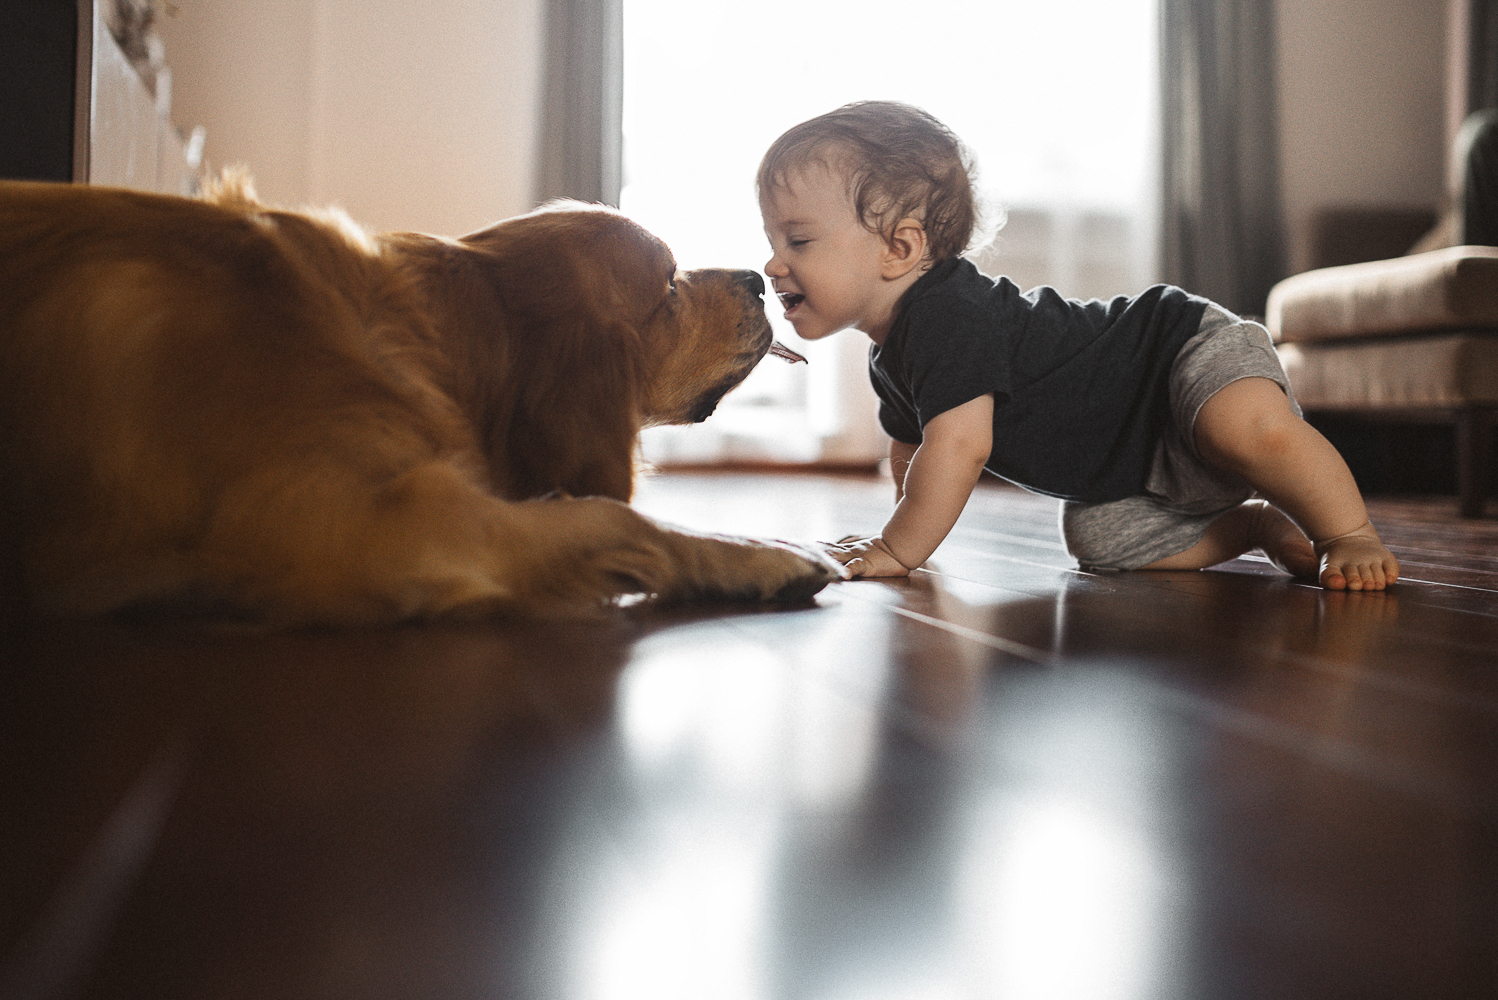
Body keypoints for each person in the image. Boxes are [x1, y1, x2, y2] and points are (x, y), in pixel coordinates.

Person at [757, 100, 1399, 590]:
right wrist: (897, 528)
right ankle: (1251, 523)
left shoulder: (948, 313)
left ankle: (1349, 531)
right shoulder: (889, 351)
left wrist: (898, 550)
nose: (772, 264)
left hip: (1177, 354)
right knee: (1101, 542)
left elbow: (959, 446)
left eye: (798, 241)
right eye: (773, 241)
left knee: (1242, 428)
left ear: (900, 249)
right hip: (1138, 460)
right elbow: (913, 452)